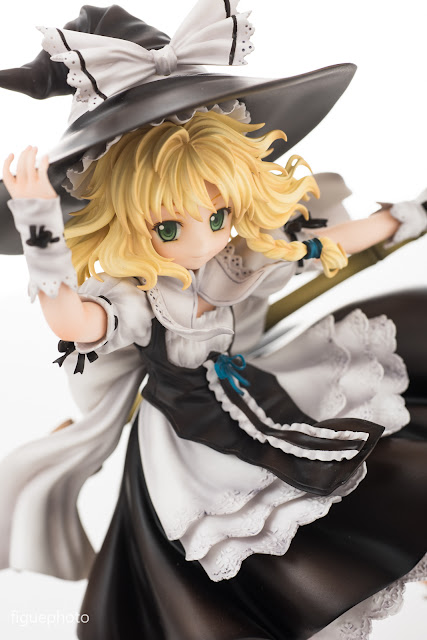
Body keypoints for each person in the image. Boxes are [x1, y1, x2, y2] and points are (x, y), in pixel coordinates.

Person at [0, 2, 426, 638]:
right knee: (242, 542)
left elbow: (327, 242)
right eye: (170, 227)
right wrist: (39, 227)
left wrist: (407, 215)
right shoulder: (137, 300)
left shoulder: (237, 257)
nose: (203, 240)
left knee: (367, 459)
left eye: (218, 215)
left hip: (258, 390)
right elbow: (73, 323)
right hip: (188, 436)